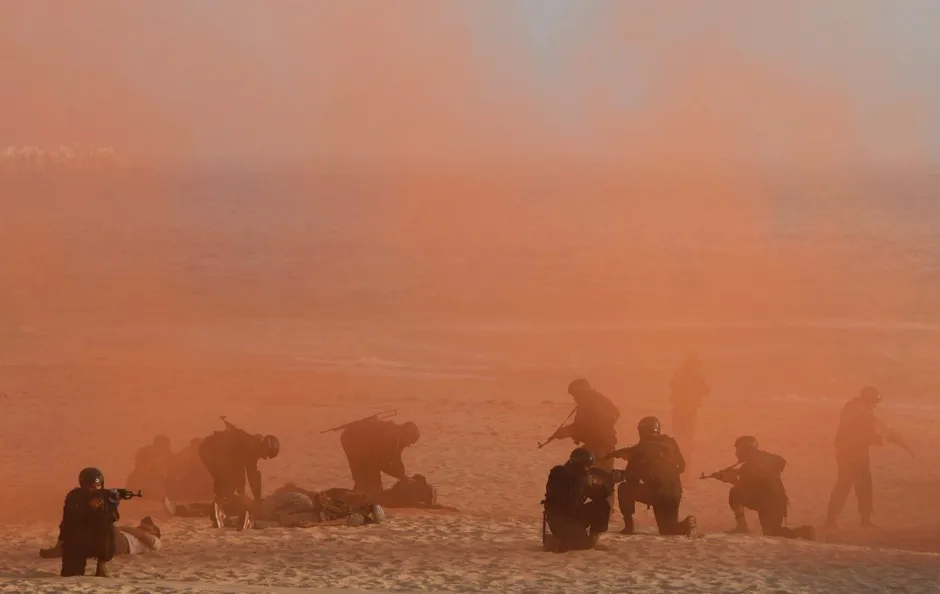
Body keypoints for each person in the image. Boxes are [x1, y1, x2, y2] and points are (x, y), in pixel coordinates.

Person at [604, 416, 695, 536]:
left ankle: (629, 525)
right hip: (674, 493)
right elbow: (682, 466)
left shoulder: (639, 450)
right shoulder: (670, 443)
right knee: (669, 531)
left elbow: (632, 478)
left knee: (624, 489)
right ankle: (688, 523)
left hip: (657, 493)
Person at [712, 436, 814, 539]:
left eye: (738, 450)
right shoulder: (763, 460)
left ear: (747, 450)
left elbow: (744, 482)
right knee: (773, 533)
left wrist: (727, 477)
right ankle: (804, 532)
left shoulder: (754, 465)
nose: (736, 453)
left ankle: (742, 526)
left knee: (735, 492)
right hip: (774, 502)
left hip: (769, 503)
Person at [825, 386, 892, 528]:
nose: (875, 405)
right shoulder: (860, 412)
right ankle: (831, 519)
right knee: (845, 484)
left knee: (864, 486)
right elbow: (866, 435)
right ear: (869, 400)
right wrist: (884, 437)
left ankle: (864, 520)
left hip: (856, 453)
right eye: (874, 402)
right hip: (849, 454)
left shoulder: (856, 408)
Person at [199, 421, 280, 530]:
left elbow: (253, 474)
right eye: (267, 455)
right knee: (227, 481)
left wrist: (257, 499)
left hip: (216, 452)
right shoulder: (248, 445)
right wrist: (242, 494)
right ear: (265, 446)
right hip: (209, 450)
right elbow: (238, 470)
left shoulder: (254, 448)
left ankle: (218, 508)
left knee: (228, 483)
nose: (266, 458)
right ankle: (217, 509)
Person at [542, 447, 611, 552]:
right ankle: (557, 541)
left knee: (602, 505)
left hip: (573, 517)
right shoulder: (560, 473)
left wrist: (604, 484)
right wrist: (587, 481)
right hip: (560, 521)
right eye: (587, 466)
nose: (588, 468)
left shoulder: (580, 478)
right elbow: (566, 494)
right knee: (583, 545)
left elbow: (599, 496)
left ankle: (593, 537)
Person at [55, 467, 121, 577]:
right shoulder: (74, 497)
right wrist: (89, 507)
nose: (95, 489)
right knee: (71, 573)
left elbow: (113, 518)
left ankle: (102, 565)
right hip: (77, 540)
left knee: (107, 527)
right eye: (91, 487)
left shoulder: (105, 496)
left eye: (97, 486)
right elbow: (69, 519)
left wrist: (111, 504)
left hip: (97, 541)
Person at [550, 379, 620, 473]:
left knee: (573, 472)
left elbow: (580, 426)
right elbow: (616, 414)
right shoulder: (597, 400)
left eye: (575, 394)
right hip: (607, 447)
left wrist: (561, 433)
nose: (574, 398)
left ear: (581, 392)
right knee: (602, 478)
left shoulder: (588, 403)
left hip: (597, 447)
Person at [340, 417, 420, 496]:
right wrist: (402, 477)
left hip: (364, 443)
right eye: (410, 441)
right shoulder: (390, 436)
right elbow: (382, 464)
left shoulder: (398, 438)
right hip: (352, 439)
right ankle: (357, 493)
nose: (407, 445)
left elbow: (396, 459)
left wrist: (403, 476)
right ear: (405, 433)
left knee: (371, 479)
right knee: (366, 474)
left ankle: (362, 492)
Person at [41, 516, 162, 559]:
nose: (139, 527)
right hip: (117, 543)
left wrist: (121, 528)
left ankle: (62, 549)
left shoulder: (156, 540)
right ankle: (60, 549)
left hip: (123, 543)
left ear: (155, 531)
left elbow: (142, 535)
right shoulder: (136, 532)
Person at [670, 354, 709, 463]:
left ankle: (680, 460)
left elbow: (673, 388)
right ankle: (685, 462)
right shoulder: (696, 376)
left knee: (680, 437)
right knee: (686, 438)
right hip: (688, 410)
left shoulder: (679, 374)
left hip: (679, 409)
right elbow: (706, 390)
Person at [165, 437, 214, 503]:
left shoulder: (207, 458)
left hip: (202, 489)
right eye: (193, 446)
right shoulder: (188, 458)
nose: (192, 448)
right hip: (193, 490)